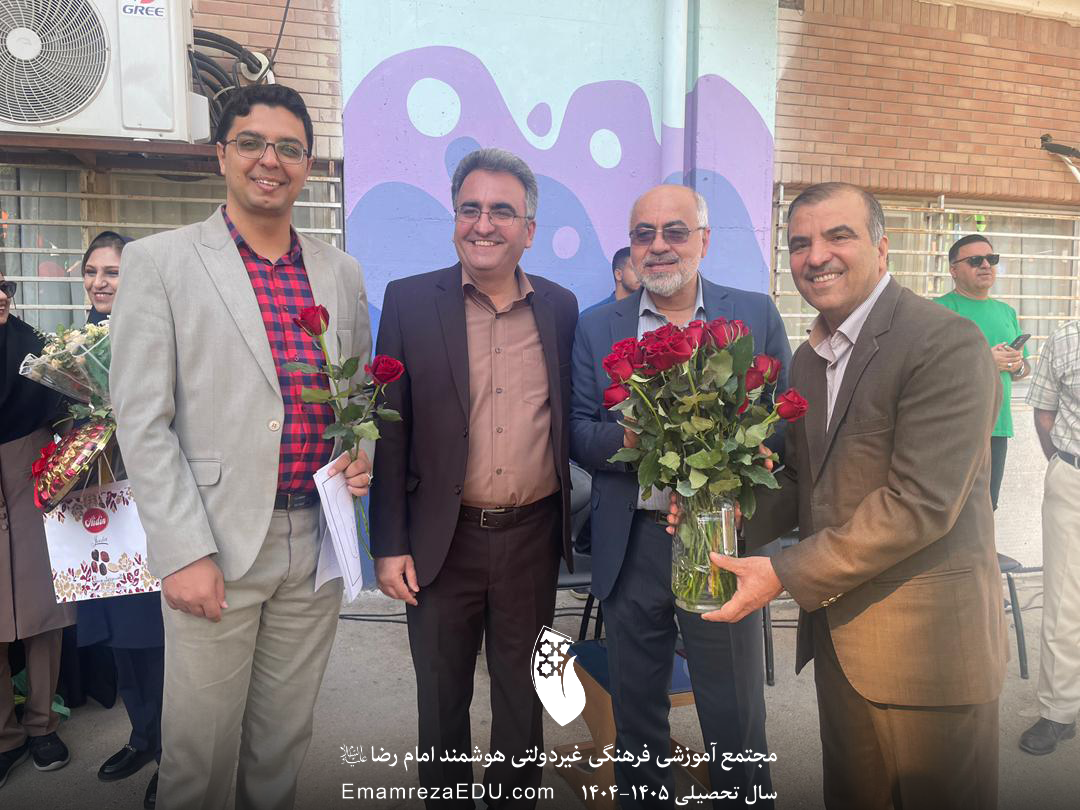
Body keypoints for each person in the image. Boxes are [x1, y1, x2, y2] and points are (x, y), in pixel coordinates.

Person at [690, 183, 1006, 809]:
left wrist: (782, 572)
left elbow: (919, 504)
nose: (816, 257)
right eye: (800, 243)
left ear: (882, 248)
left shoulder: (944, 342)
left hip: (927, 657)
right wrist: (721, 518)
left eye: (839, 236)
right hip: (842, 644)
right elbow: (804, 480)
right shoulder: (809, 359)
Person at [109, 84, 372, 810]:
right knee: (199, 759)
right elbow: (142, 420)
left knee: (280, 750)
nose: (270, 160)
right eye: (252, 142)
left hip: (314, 541)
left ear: (309, 165)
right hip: (215, 542)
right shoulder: (160, 263)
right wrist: (181, 551)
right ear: (220, 154)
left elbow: (354, 402)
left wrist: (361, 456)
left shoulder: (340, 272)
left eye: (289, 148)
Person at [370, 147, 578, 808]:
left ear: (529, 230)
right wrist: (388, 544)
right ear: (455, 218)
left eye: (501, 211)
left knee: (525, 695)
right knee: (441, 697)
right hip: (441, 540)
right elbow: (388, 431)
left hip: (532, 538)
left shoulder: (561, 309)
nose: (483, 224)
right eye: (470, 208)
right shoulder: (408, 302)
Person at [569, 183, 789, 808]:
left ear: (704, 241)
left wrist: (733, 461)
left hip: (722, 543)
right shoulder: (596, 327)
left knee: (735, 714)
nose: (659, 245)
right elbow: (578, 431)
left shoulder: (753, 315)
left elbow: (781, 420)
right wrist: (637, 438)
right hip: (632, 543)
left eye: (675, 231)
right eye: (644, 234)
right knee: (637, 715)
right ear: (631, 246)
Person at [75, 230, 164, 809]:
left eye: (111, 272)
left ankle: (177, 752)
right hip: (96, 513)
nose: (100, 282)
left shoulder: (156, 333)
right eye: (92, 271)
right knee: (116, 635)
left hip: (147, 509)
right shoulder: (75, 346)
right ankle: (143, 736)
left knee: (154, 636)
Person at [0, 271, 75, 788]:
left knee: (43, 607)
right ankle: (4, 736)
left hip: (29, 465)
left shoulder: (32, 346)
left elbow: (65, 408)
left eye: (4, 286)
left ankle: (42, 723)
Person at [1019, 319, 1080, 755]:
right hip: (1073, 478)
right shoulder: (1065, 337)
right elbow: (1044, 412)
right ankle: (1059, 712)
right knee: (1063, 600)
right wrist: (1062, 464)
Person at [936, 234, 1029, 509]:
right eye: (975, 260)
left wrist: (1017, 364)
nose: (986, 265)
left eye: (991, 259)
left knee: (987, 507)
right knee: (949, 509)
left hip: (997, 426)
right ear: (954, 270)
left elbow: (1023, 369)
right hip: (954, 428)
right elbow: (927, 371)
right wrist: (985, 360)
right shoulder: (937, 310)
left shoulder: (1006, 312)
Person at [586, 247, 639, 311]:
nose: (642, 274)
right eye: (635, 269)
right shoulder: (593, 314)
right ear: (618, 274)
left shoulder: (648, 311)